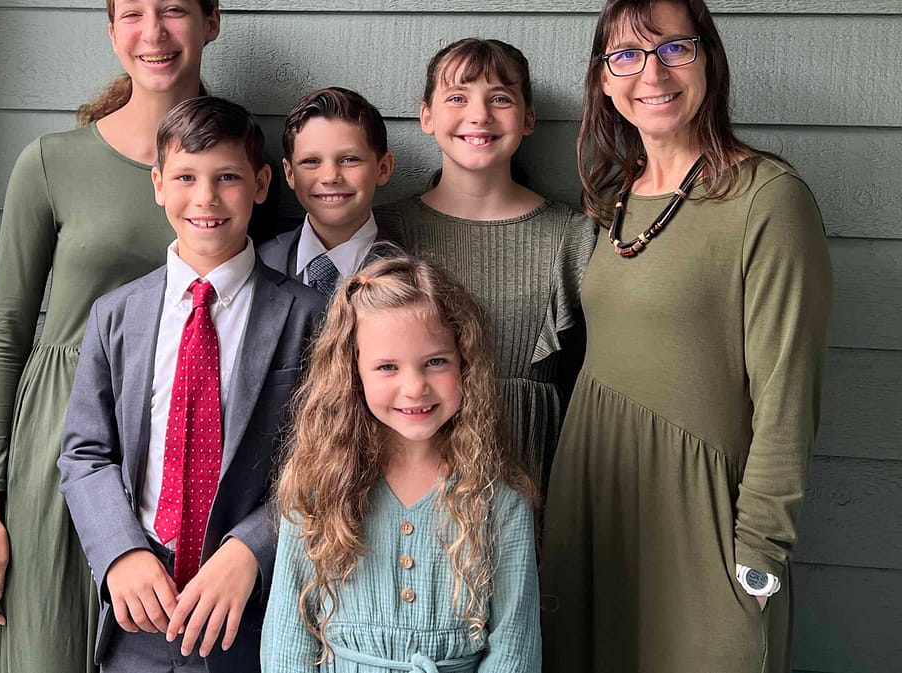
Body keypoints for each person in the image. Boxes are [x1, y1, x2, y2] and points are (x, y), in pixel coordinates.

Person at [539, 0, 834, 673]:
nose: (653, 72)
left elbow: (787, 393)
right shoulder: (610, 200)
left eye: (675, 47)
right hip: (596, 507)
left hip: (705, 520)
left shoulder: (768, 198)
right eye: (627, 55)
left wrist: (760, 547)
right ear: (604, 80)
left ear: (709, 60)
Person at [0, 0, 222, 673]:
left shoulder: (232, 166)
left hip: (183, 446)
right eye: (132, 14)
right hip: (58, 443)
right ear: (112, 33)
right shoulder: (51, 162)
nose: (153, 32)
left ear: (210, 23)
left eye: (173, 11)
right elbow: (6, 332)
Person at [58, 96, 325, 672]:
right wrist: (120, 552)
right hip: (139, 611)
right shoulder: (115, 315)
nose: (206, 198)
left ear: (260, 184)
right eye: (185, 177)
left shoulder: (310, 316)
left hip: (251, 613)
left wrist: (252, 549)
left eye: (227, 177)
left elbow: (326, 463)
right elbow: (85, 454)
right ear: (158, 184)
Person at [261, 255, 541, 672]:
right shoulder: (318, 490)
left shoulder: (499, 502)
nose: (414, 387)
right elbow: (287, 643)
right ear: (353, 374)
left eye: (435, 362)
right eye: (387, 367)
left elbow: (515, 651)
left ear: (465, 363)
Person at [375, 39, 596, 497]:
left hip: (537, 472)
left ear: (528, 118)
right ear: (427, 117)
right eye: (458, 97)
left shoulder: (573, 237)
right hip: (414, 481)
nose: (479, 115)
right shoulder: (388, 232)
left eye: (500, 99)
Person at [258, 86, 395, 296]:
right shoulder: (259, 263)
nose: (330, 177)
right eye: (311, 161)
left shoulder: (410, 273)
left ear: (383, 168)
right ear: (290, 173)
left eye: (349, 159)